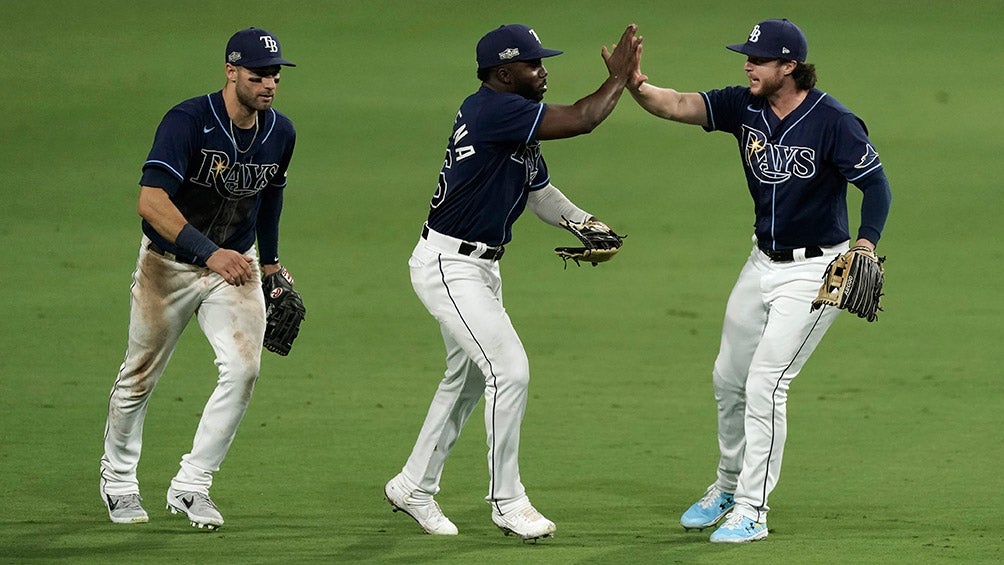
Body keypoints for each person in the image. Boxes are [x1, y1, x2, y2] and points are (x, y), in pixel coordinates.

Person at [627, 19, 892, 543]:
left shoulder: (834, 121)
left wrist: (866, 242)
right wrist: (634, 84)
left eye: (759, 59)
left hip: (820, 270)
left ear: (789, 66)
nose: (747, 65)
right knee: (728, 379)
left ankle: (753, 511)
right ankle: (727, 487)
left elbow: (876, 186)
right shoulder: (742, 105)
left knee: (768, 384)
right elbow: (677, 104)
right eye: (747, 56)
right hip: (762, 263)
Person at [384, 23, 642, 541]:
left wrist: (583, 221)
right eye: (533, 64)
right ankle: (507, 500)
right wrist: (617, 78)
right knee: (510, 371)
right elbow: (584, 118)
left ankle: (414, 485)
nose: (543, 70)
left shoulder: (511, 118)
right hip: (449, 266)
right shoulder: (492, 110)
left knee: (468, 380)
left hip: (476, 267)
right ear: (504, 73)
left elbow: (538, 190)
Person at [99, 27, 297, 530]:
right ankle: (118, 481)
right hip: (168, 265)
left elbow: (269, 198)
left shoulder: (281, 131)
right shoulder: (188, 121)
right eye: (258, 75)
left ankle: (192, 485)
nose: (269, 84)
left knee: (244, 369)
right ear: (231, 72)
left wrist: (270, 264)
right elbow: (151, 202)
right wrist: (210, 254)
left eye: (275, 75)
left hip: (235, 265)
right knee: (139, 377)